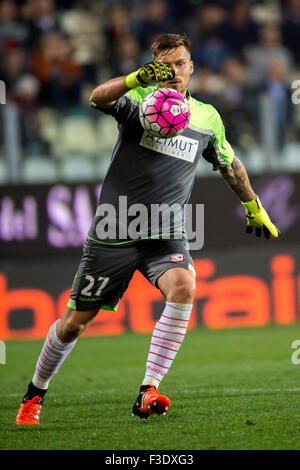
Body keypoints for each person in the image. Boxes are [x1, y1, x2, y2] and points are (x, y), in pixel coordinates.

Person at [16, 33, 280, 425]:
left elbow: (229, 164)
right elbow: (97, 97)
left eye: (180, 64)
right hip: (114, 230)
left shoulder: (207, 117)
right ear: (154, 67)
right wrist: (137, 78)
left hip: (165, 233)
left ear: (191, 67)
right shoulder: (139, 102)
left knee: (185, 285)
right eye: (164, 65)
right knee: (74, 324)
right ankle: (34, 395)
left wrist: (254, 206)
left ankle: (148, 391)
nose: (173, 72)